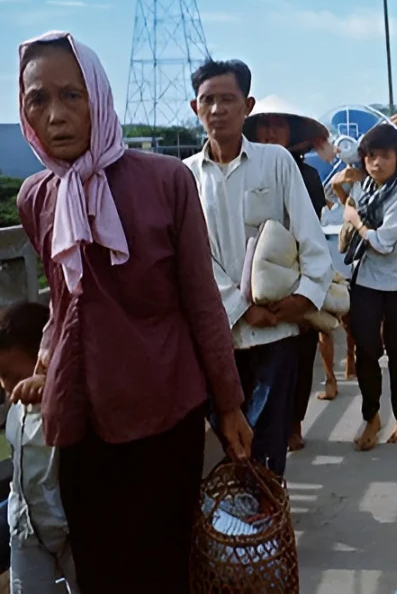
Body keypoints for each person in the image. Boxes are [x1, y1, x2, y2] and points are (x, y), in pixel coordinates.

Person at [15, 31, 250, 592]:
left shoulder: (166, 181)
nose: (56, 116)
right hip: (80, 417)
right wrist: (46, 365)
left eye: (72, 96)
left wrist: (231, 405)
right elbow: (63, 303)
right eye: (37, 100)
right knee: (97, 566)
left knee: (164, 564)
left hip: (164, 412)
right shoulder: (36, 197)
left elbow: (201, 301)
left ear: (99, 96)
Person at [185, 57, 333, 478]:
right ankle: (241, 527)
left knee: (269, 440)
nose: (218, 109)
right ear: (195, 108)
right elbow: (194, 259)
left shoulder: (277, 162)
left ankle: (265, 523)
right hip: (220, 333)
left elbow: (309, 234)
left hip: (277, 329)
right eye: (208, 100)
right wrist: (239, 306)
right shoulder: (185, 177)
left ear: (246, 105)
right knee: (228, 437)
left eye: (228, 99)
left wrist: (304, 297)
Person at [244, 100, 331, 453]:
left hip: (294, 274)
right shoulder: (247, 171)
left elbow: (309, 232)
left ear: (291, 134)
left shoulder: (307, 175)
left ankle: (294, 423)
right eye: (263, 126)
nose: (269, 133)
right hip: (253, 280)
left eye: (277, 126)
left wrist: (306, 288)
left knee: (301, 353)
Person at [341, 124, 397, 450]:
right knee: (366, 352)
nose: (376, 163)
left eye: (384, 156)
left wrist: (355, 219)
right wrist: (348, 204)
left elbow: (383, 242)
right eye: (370, 156)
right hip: (366, 282)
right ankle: (371, 415)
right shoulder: (366, 190)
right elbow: (356, 221)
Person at [0, 302, 77, 592]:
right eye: (1, 375)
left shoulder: (67, 403)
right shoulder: (16, 411)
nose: (8, 387)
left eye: (14, 376)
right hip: (26, 527)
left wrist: (54, 387)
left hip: (70, 529)